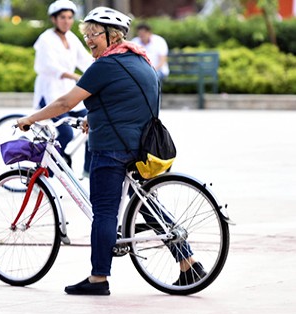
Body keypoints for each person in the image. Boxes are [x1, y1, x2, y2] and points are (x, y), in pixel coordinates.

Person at [18, 7, 205, 296]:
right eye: (87, 34)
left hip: (112, 149)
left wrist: (32, 118)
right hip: (142, 148)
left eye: (93, 34)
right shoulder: (141, 60)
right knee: (147, 204)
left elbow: (65, 102)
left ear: (111, 35)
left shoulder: (105, 66)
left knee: (104, 212)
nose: (89, 40)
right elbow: (127, 100)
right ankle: (188, 263)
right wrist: (93, 120)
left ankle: (98, 279)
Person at [33, 0, 93, 174]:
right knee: (65, 133)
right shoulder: (45, 39)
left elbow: (85, 60)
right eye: (62, 17)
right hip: (51, 91)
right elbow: (48, 66)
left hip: (68, 92)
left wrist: (102, 71)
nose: (66, 21)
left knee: (95, 124)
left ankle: (88, 171)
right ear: (54, 19)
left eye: (69, 17)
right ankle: (46, 169)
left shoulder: (72, 38)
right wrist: (74, 75)